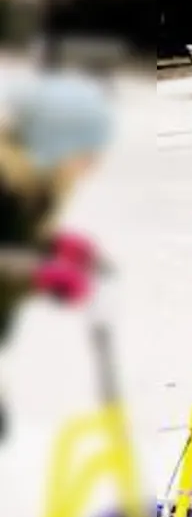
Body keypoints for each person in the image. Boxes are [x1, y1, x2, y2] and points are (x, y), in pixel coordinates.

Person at [0, 73, 112, 441]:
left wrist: (55, 248)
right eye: (85, 151)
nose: (92, 164)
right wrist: (40, 272)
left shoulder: (31, 185)